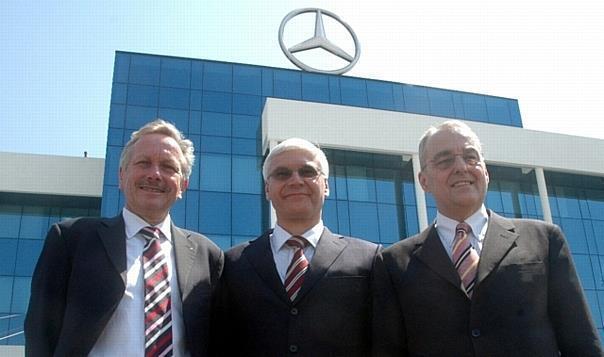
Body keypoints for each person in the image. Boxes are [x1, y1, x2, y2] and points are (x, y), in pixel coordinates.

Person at [372, 120, 602, 356]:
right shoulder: (393, 264)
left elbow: (581, 342)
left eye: (471, 157)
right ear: (423, 181)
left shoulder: (545, 240)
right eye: (445, 160)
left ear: (486, 172)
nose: (461, 167)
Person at [25, 119, 224, 357]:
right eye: (143, 163)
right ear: (121, 176)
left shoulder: (208, 255)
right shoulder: (71, 240)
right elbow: (40, 333)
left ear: (183, 184)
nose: (155, 174)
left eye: (169, 167)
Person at [212, 138, 381, 356]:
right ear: (267, 189)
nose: (295, 181)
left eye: (308, 172)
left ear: (326, 185)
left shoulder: (370, 258)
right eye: (282, 174)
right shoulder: (233, 263)